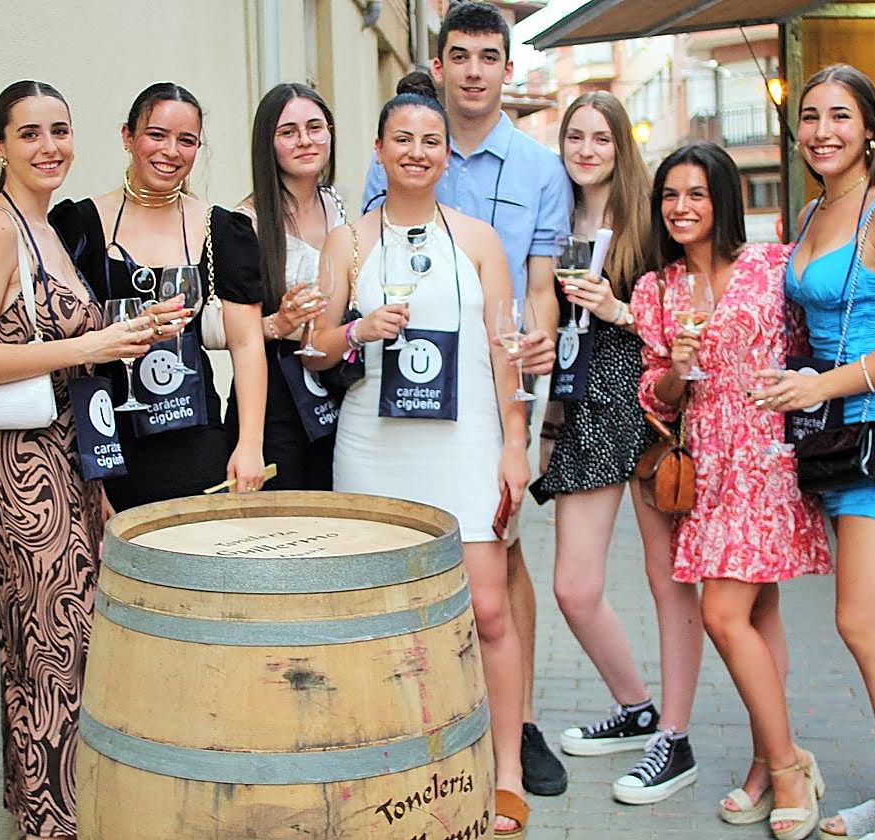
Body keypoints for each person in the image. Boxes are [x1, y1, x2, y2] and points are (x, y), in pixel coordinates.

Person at [0, 81, 185, 840]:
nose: (49, 147)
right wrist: (90, 345)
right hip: (22, 472)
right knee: (48, 661)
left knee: (75, 656)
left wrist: (99, 480)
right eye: (29, 134)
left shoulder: (46, 226)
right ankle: (52, 828)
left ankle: (75, 819)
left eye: (60, 130)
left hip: (70, 465)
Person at [362, 0, 573, 796]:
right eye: (461, 55)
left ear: (505, 69)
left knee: (504, 555)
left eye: (490, 57)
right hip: (403, 399)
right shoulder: (399, 147)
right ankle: (436, 734)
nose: (476, 70)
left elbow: (540, 286)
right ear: (440, 63)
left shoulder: (539, 169)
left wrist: (538, 353)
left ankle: (511, 731)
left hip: (499, 388)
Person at [308, 90, 531, 839]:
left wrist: (514, 443)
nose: (416, 151)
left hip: (464, 443)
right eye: (401, 138)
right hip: (374, 446)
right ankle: (390, 770)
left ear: (445, 154)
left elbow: (505, 350)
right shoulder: (349, 242)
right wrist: (356, 327)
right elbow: (312, 349)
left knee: (489, 611)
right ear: (378, 150)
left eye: (430, 140)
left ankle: (505, 774)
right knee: (377, 619)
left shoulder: (478, 239)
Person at [756, 64, 875, 840]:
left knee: (864, 623)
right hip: (845, 435)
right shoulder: (811, 214)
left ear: (869, 128)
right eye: (809, 116)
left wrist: (823, 384)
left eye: (839, 115)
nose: (821, 131)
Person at [633, 142, 832, 839]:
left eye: (695, 194)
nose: (681, 208)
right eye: (669, 196)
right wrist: (675, 370)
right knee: (757, 616)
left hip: (768, 453)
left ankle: (781, 766)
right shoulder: (656, 289)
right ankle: (766, 761)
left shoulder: (772, 266)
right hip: (708, 462)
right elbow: (652, 395)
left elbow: (819, 338)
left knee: (724, 613)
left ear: (721, 199)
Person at [530, 91, 705, 806]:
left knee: (668, 578)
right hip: (569, 404)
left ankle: (676, 734)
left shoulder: (646, 217)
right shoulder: (550, 215)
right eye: (575, 135)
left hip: (640, 403)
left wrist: (618, 309)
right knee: (574, 587)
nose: (586, 149)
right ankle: (635, 707)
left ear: (619, 146)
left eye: (600, 137)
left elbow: (687, 311)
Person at [51, 82, 267, 509]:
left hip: (195, 436)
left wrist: (250, 445)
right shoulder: (79, 224)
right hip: (107, 436)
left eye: (186, 140)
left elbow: (247, 343)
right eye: (157, 135)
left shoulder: (220, 229)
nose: (171, 151)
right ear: (127, 137)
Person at [231, 83, 345, 488]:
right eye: (288, 132)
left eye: (315, 127)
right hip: (275, 392)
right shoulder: (245, 222)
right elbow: (217, 326)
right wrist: (277, 323)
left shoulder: (340, 206)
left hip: (337, 384)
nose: (305, 141)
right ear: (269, 142)